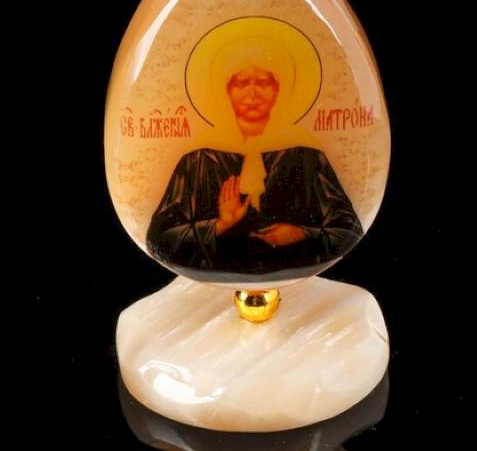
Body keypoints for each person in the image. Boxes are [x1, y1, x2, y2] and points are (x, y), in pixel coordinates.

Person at [146, 32, 363, 282]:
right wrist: (220, 225)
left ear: (279, 89)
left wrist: (301, 235)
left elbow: (348, 232)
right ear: (226, 90)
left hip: (296, 280)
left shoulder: (307, 159)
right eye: (241, 83)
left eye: (263, 83)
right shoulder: (197, 163)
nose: (253, 94)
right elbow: (160, 240)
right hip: (215, 284)